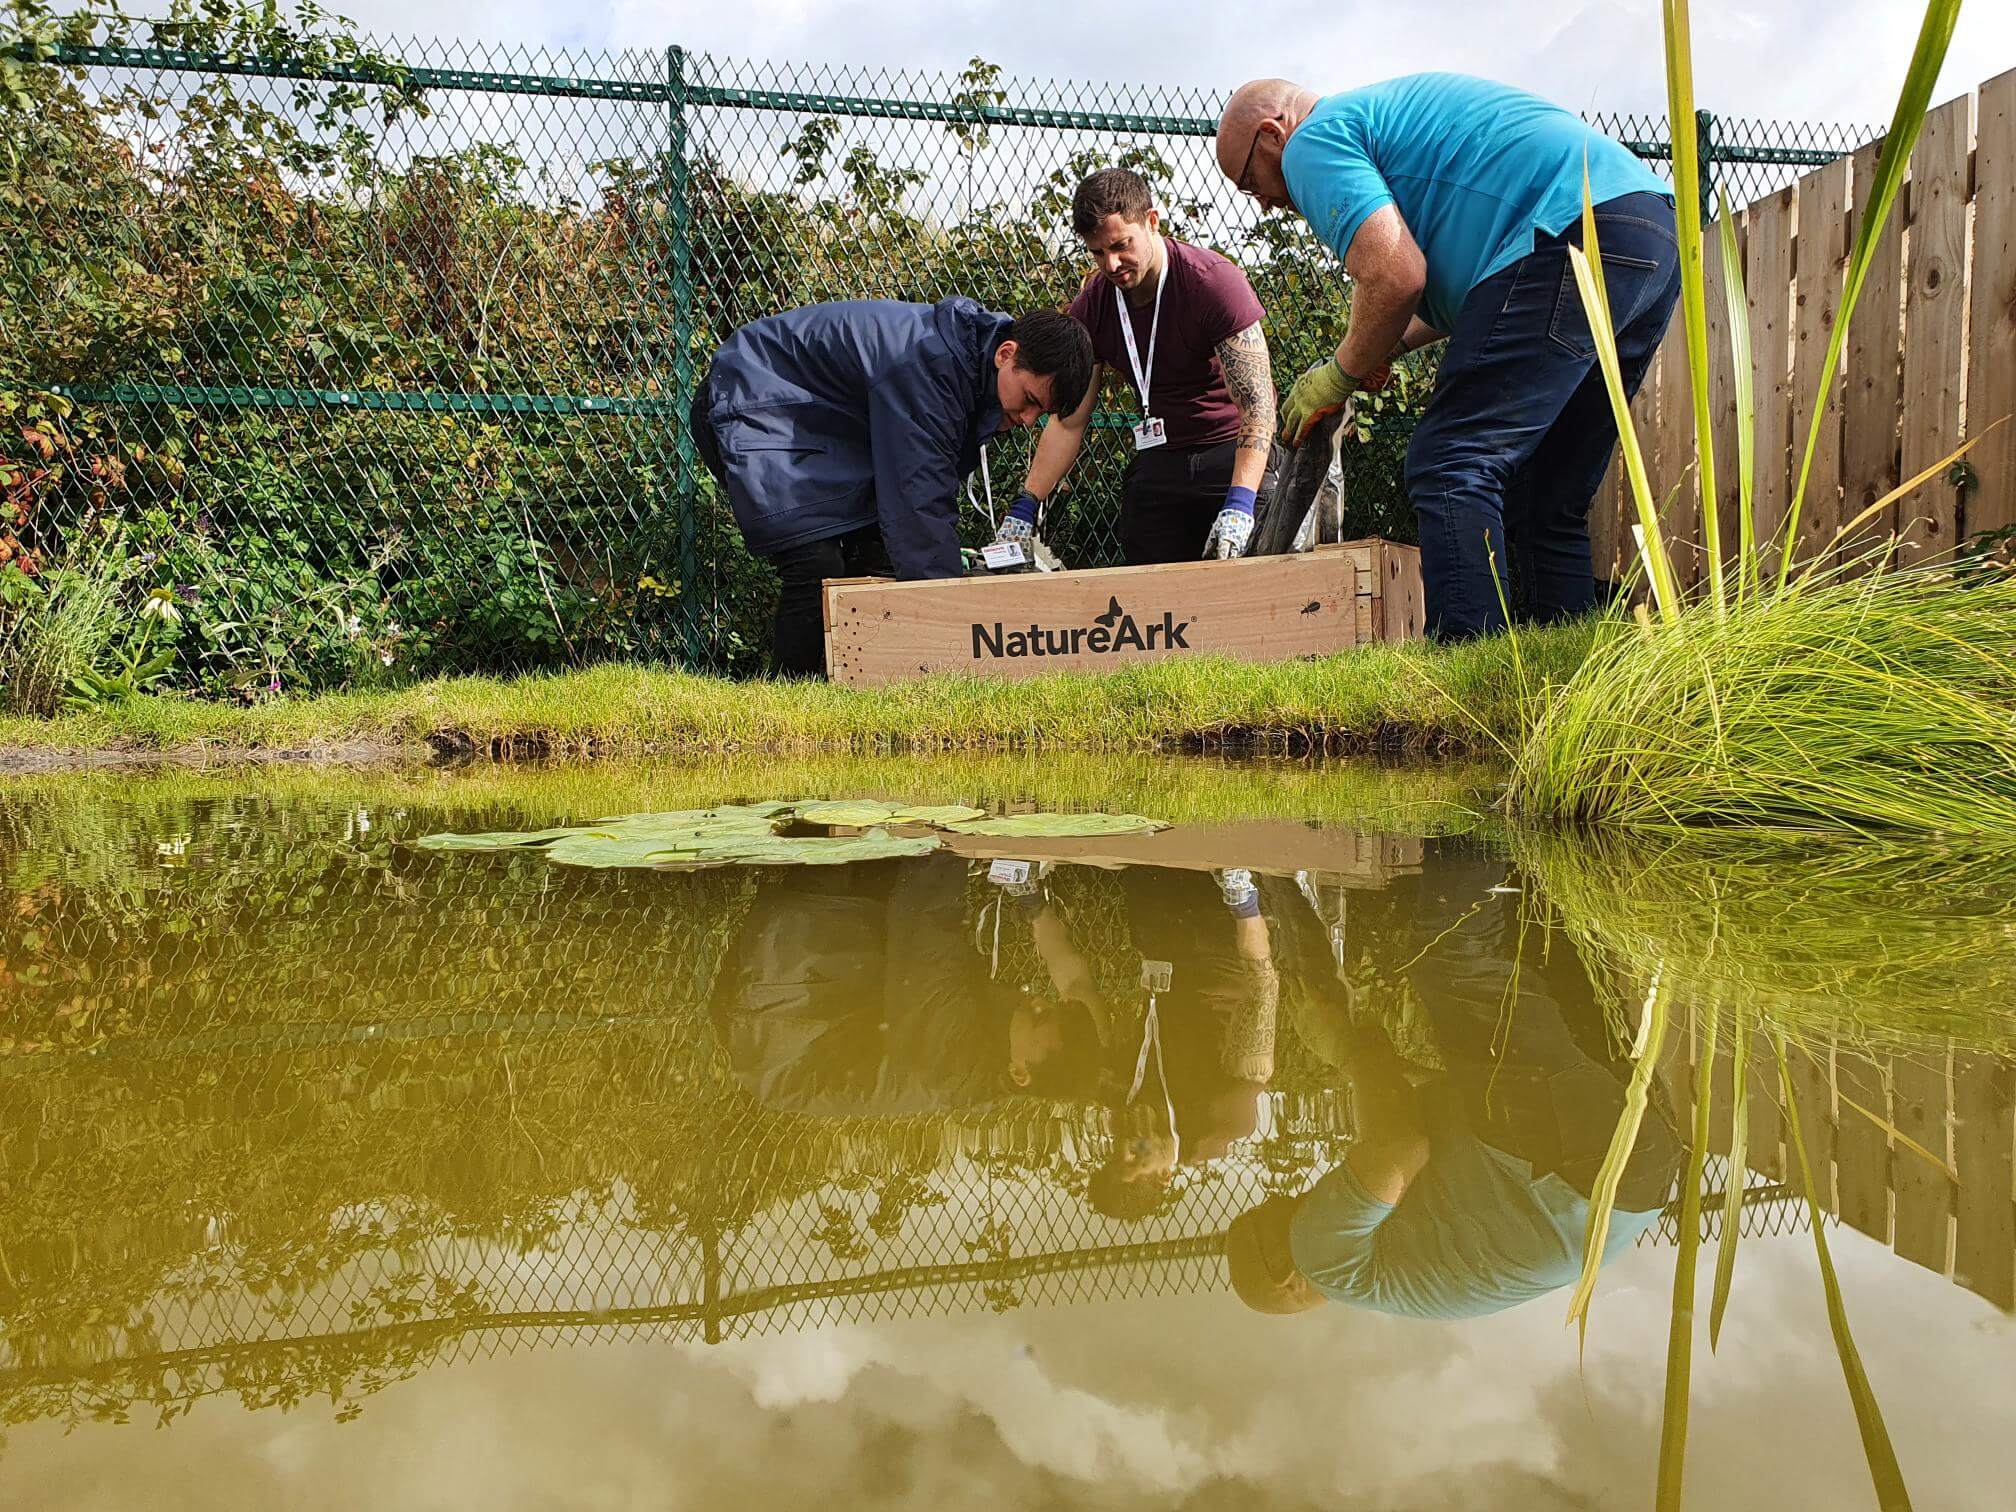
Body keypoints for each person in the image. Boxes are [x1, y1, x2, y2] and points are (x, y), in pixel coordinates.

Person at [1214, 76, 1682, 639]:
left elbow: (1394, 274)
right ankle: (1566, 676)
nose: (1263, 201)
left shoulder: (1312, 141)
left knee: (1450, 461)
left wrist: (1338, 377)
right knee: (1546, 494)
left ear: (1272, 135)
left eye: (1249, 182)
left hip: (1567, 230)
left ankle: (1468, 664)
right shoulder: (1392, 127)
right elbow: (1448, 291)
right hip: (1646, 231)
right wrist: (1371, 350)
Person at [1224, 841, 1680, 1320]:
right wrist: (1344, 1048)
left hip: (1633, 1176)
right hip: (1576, 1172)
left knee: (1547, 941)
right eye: (1259, 1216)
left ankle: (1571, 809)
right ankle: (1474, 798)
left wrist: (1364, 1053)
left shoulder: (1400, 1269)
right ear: (1284, 1276)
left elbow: (1445, 1102)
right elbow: (1399, 1145)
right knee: (1450, 956)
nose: (1275, 1197)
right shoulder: (1320, 1261)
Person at [691, 299, 1094, 677]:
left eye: (1040, 411)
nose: (1027, 419)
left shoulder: (972, 367)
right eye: (1028, 400)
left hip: (811, 421)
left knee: (875, 557)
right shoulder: (931, 365)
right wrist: (957, 625)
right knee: (816, 562)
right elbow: (917, 505)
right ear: (1005, 354)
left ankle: (863, 686)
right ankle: (790, 696)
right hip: (752, 396)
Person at [990, 169, 1283, 566]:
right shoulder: (1093, 306)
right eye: (1097, 252)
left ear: (1151, 221)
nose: (1111, 264)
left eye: (1120, 245)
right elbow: (1069, 421)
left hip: (1228, 452)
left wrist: (1241, 502)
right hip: (1161, 461)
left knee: (1253, 578)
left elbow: (1258, 405)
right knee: (1151, 597)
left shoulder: (1213, 284)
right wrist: (1027, 503)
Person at [711, 852, 1103, 1117]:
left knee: (875, 853)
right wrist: (1032, 902)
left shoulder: (954, 1062)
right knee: (893, 857)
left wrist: (950, 845)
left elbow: (922, 931)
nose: (1036, 1001)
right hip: (799, 1015)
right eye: (1046, 1007)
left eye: (1037, 1019)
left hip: (786, 1017)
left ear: (1021, 1072)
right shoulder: (1002, 1057)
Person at [1086, 865, 1281, 1222]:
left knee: (1149, 841)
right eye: (1136, 1159)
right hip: (1224, 940)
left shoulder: (1120, 1103)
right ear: (1165, 1175)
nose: (1127, 1146)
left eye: (1116, 1154)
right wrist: (1243, 904)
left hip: (1158, 938)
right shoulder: (1221, 1125)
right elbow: (1261, 994)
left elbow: (1090, 999)